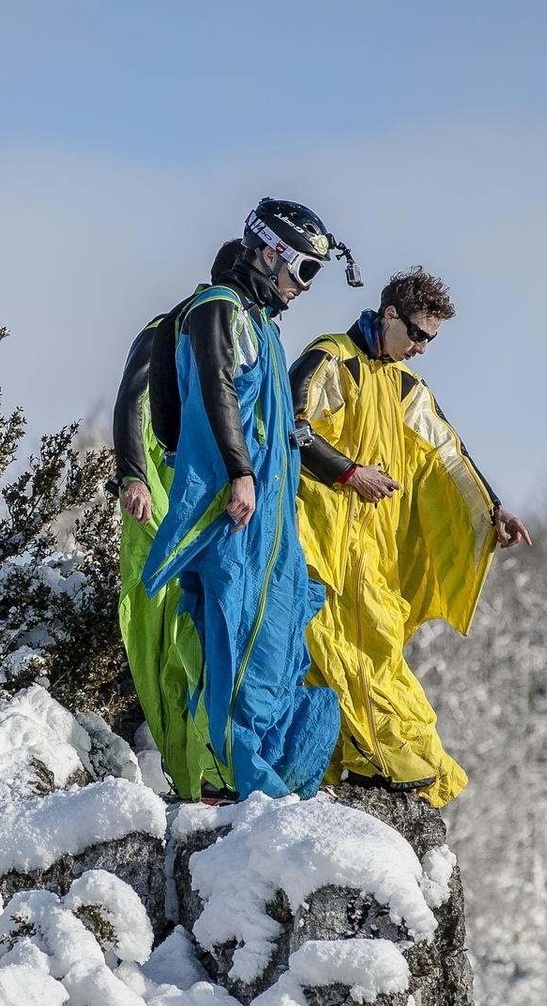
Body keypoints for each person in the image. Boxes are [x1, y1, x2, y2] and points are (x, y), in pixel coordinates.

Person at [289, 267, 532, 807]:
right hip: (319, 538)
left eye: (432, 340)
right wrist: (349, 472)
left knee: (379, 641)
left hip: (372, 546)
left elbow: (448, 453)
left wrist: (493, 511)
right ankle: (374, 758)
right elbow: (290, 425)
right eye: (418, 334)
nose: (422, 348)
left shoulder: (404, 385)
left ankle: (373, 757)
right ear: (389, 314)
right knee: (335, 645)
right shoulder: (333, 360)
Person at [141, 199, 348, 800]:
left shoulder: (262, 325)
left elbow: (280, 423)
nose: (304, 287)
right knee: (232, 633)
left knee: (275, 643)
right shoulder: (218, 310)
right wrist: (239, 472)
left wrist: (339, 472)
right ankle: (224, 774)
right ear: (268, 252)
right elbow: (215, 388)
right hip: (238, 513)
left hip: (272, 523)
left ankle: (257, 773)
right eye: (303, 270)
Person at [112, 242, 246, 800]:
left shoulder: (239, 336)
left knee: (201, 620)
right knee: (164, 614)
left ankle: (209, 760)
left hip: (198, 488)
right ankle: (187, 761)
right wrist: (133, 476)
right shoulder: (174, 325)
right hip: (161, 484)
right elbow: (132, 399)